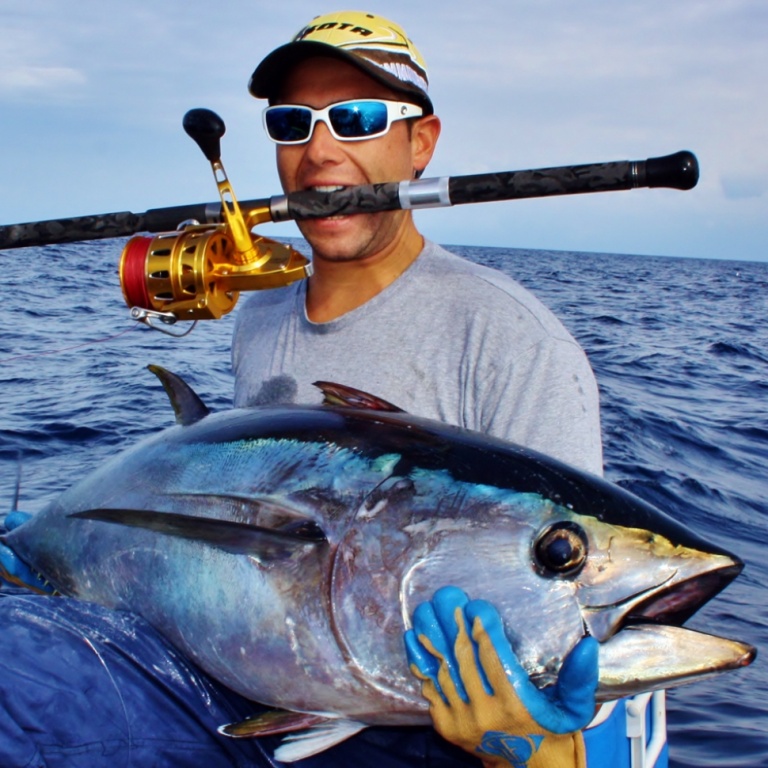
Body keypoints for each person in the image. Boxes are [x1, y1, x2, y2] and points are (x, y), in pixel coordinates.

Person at [0, 10, 637, 768]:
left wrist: (530, 745)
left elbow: (558, 617)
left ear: (422, 143)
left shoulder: (510, 342)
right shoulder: (264, 312)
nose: (321, 151)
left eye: (358, 118)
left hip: (400, 732)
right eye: (293, 123)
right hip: (240, 681)